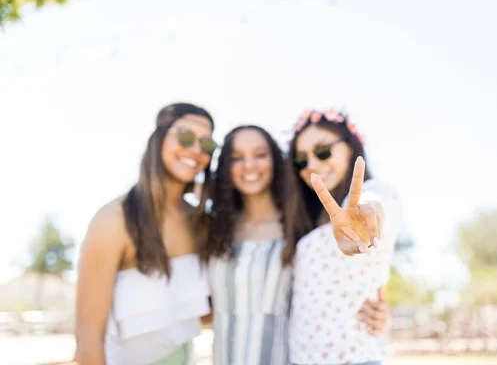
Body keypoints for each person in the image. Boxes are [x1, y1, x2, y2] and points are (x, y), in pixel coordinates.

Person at [203, 125, 389, 365]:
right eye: (236, 158)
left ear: (277, 161)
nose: (249, 165)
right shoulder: (213, 228)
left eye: (260, 155)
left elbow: (352, 274)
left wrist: (382, 308)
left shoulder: (302, 226)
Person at [75, 103, 217, 365]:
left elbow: (203, 313)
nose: (196, 150)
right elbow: (88, 338)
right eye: (185, 137)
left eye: (207, 145)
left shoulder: (200, 222)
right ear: (159, 138)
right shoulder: (114, 220)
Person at [288, 108, 401, 365]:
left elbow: (380, 204)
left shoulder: (368, 194)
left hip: (355, 358)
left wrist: (367, 214)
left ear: (350, 147)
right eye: (301, 160)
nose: (312, 165)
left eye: (323, 150)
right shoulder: (305, 217)